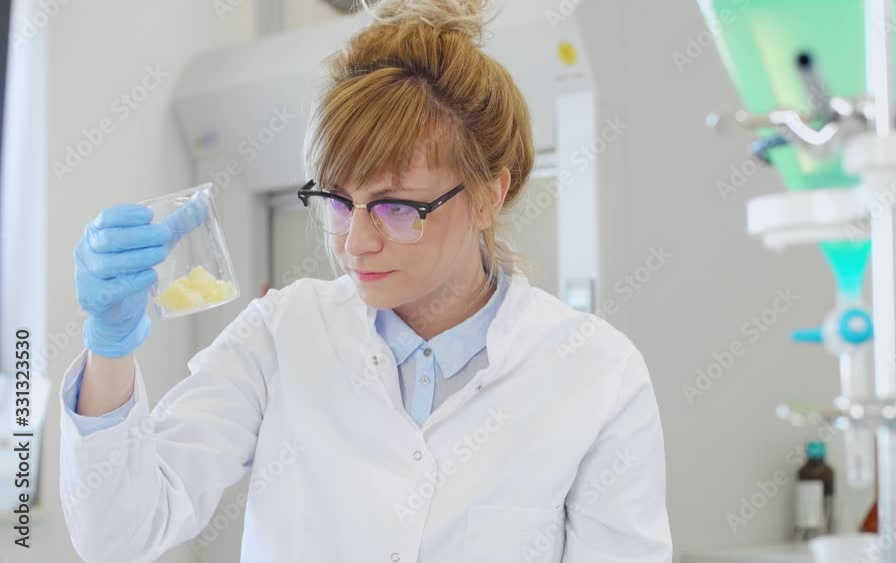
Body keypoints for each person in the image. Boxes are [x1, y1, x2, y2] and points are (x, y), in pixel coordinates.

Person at [61, 0, 672, 561]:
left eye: (396, 206)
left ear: (489, 194)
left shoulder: (596, 373)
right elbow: (122, 535)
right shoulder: (282, 336)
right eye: (337, 200)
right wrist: (109, 346)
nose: (355, 242)